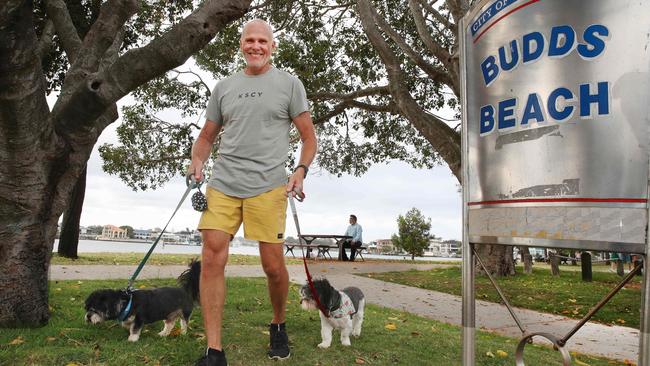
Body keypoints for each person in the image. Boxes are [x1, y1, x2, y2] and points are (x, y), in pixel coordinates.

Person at [188, 19, 317, 366]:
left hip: (267, 187)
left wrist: (300, 171)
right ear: (241, 45)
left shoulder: (290, 85)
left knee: (273, 267)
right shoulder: (224, 87)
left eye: (262, 41)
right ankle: (214, 350)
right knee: (213, 256)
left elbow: (308, 137)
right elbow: (205, 137)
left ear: (272, 46)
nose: (256, 46)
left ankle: (278, 323)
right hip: (223, 184)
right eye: (250, 40)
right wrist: (197, 160)